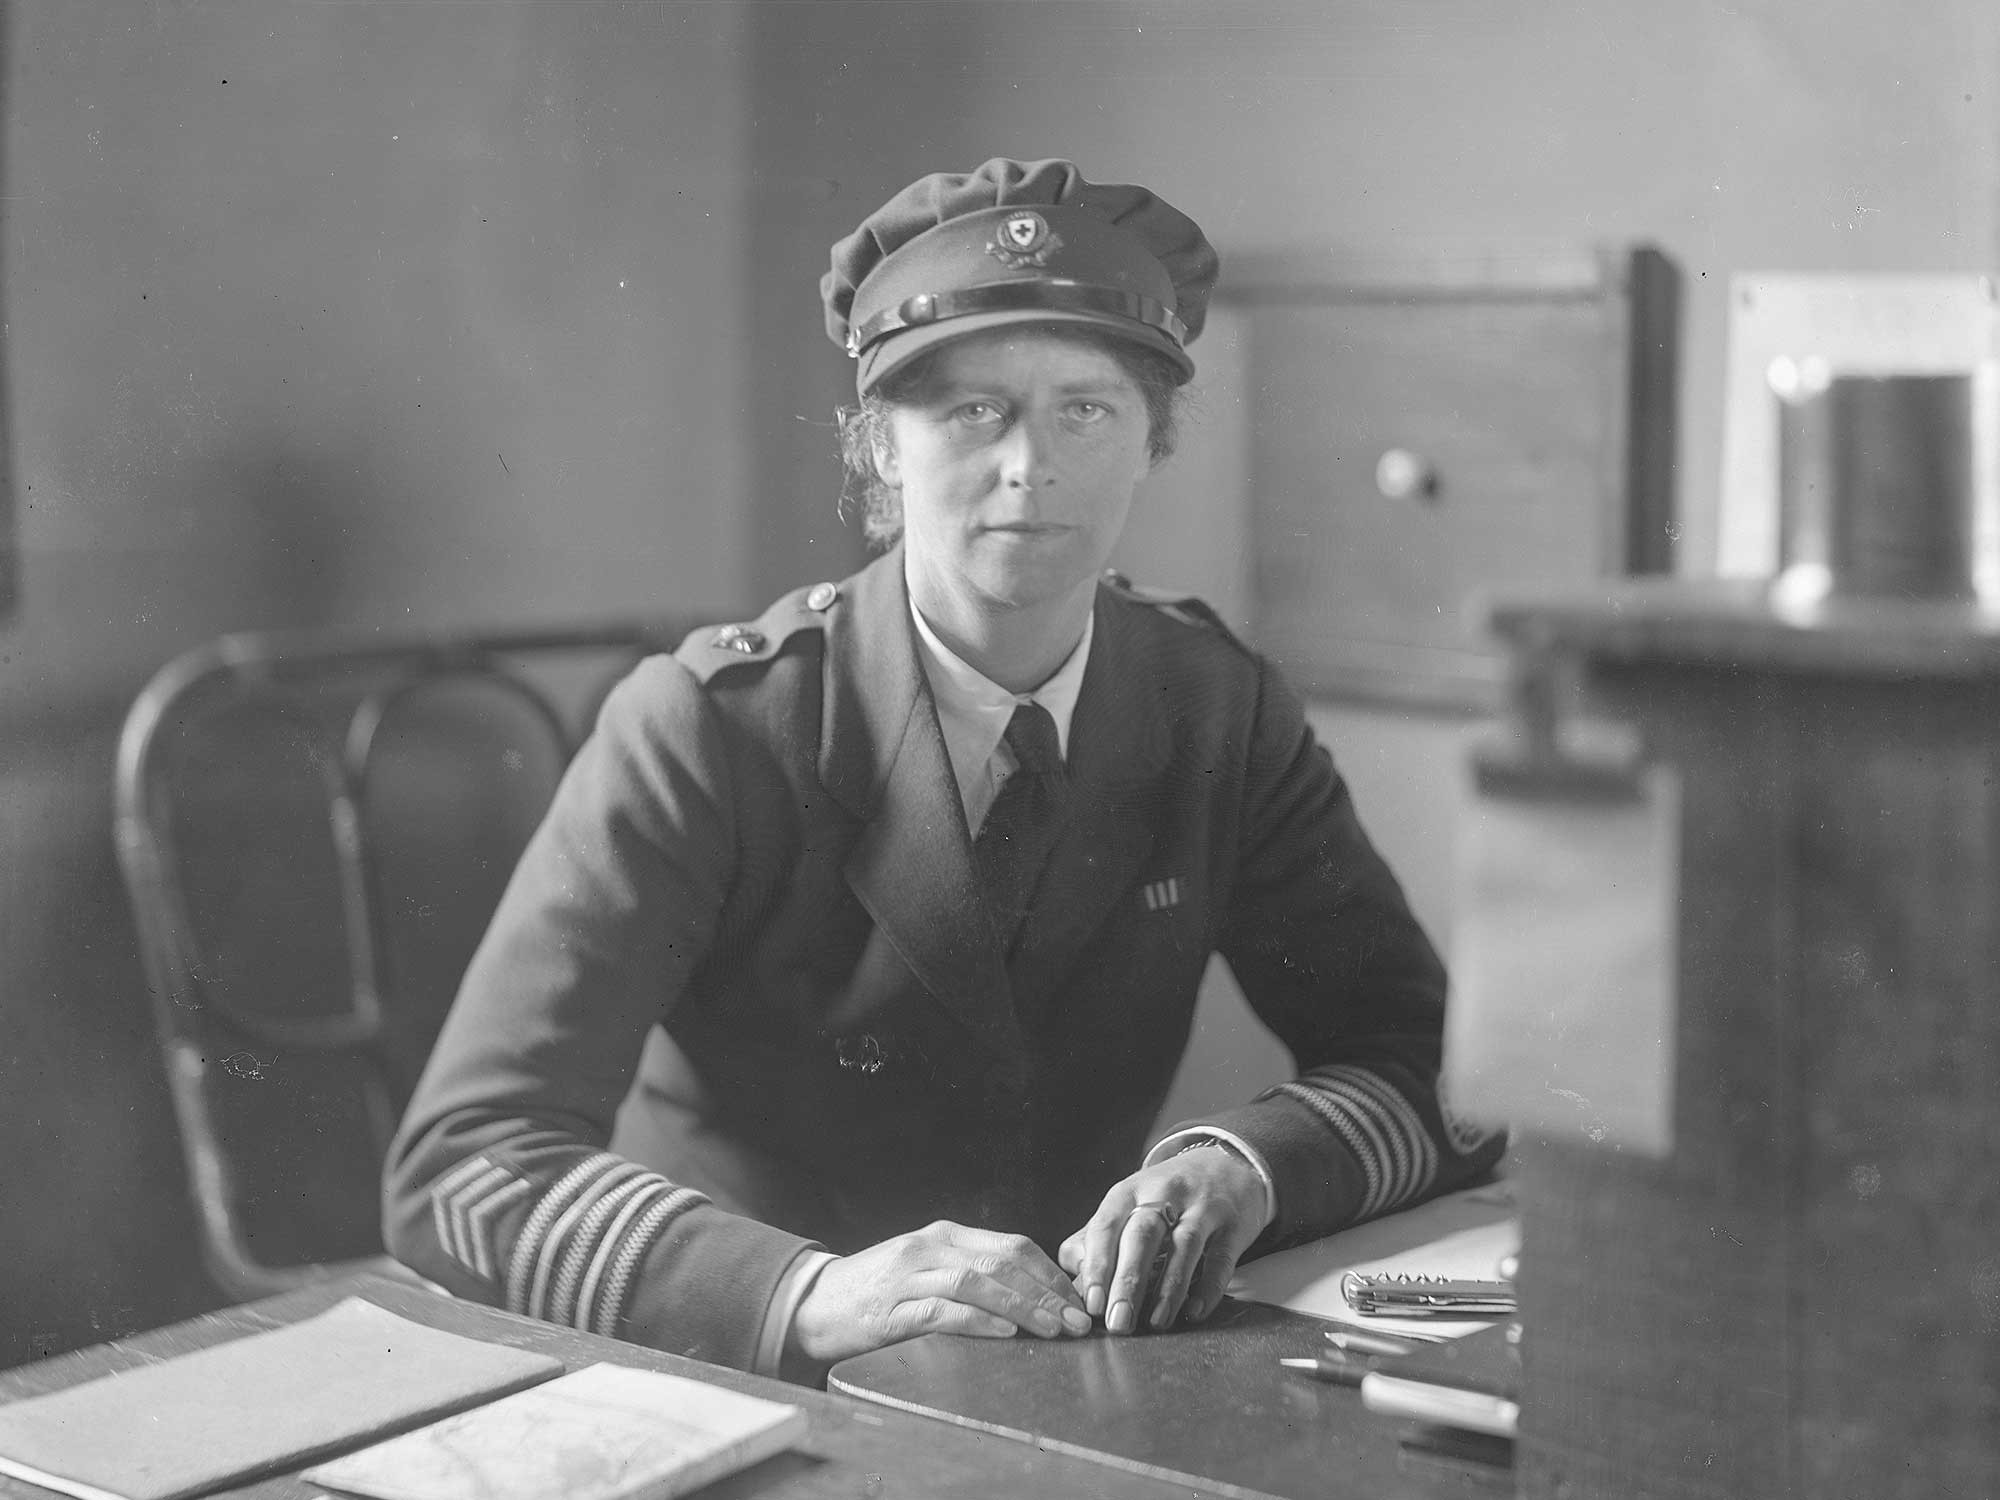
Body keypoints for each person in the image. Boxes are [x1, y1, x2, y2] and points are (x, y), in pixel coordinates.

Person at [382, 157, 1505, 1382]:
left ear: (1149, 443)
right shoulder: (711, 727)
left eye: (1086, 409)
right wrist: (810, 1292)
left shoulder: (1213, 707)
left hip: (1074, 1370)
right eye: (973, 411)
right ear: (881, 449)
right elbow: (465, 1164)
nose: (1031, 468)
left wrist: (1238, 1168)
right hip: (746, 1367)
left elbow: (1433, 1069)